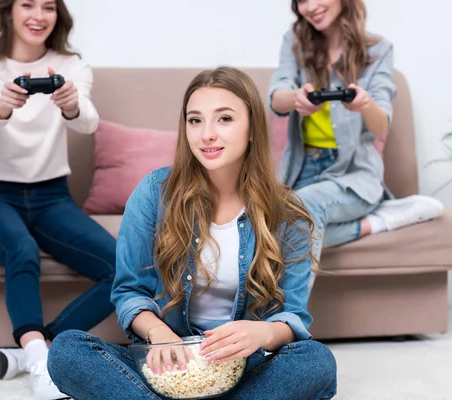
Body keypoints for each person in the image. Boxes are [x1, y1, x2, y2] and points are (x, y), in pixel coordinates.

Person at [46, 67, 337, 400]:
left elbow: (293, 316)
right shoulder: (154, 192)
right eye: (195, 120)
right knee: (67, 349)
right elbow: (129, 291)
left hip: (242, 370)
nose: (206, 134)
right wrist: (159, 333)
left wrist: (261, 333)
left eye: (224, 119)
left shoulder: (287, 211)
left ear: (253, 128)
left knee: (316, 362)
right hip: (167, 368)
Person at [0, 0, 116, 398]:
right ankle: (40, 364)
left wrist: (71, 104)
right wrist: (1, 105)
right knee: (21, 250)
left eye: (48, 6)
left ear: (57, 15)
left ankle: (37, 349)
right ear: (8, 11)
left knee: (122, 268)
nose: (37, 15)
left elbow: (90, 121)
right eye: (27, 4)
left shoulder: (71, 64)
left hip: (51, 196)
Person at [269, 0, 444, 266]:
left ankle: (290, 310)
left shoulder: (378, 50)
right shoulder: (295, 40)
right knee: (272, 232)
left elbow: (381, 125)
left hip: (354, 175)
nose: (310, 7)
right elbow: (275, 98)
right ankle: (374, 223)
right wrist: (297, 97)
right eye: (302, 1)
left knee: (300, 208)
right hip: (301, 170)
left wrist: (365, 104)